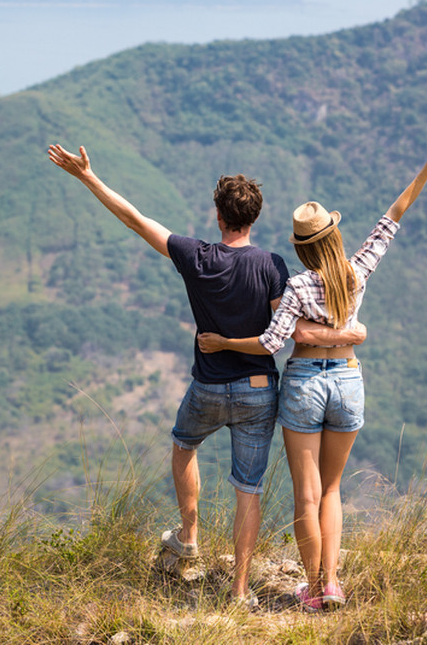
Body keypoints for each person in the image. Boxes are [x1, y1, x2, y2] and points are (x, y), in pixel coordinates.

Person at [46, 143, 366, 607]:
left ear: (219, 216)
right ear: (254, 218)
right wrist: (349, 333)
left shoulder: (194, 257)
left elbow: (136, 219)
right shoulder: (274, 265)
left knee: (183, 443)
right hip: (260, 390)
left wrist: (88, 178)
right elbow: (288, 330)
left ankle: (189, 536)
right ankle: (239, 591)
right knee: (248, 490)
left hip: (208, 386)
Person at [198, 140, 427, 611]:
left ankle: (310, 588)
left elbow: (270, 343)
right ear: (334, 237)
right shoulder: (356, 273)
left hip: (304, 382)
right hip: (347, 380)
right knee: (332, 490)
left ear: (302, 248)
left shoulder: (298, 285)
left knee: (305, 495)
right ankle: (333, 584)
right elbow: (393, 217)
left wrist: (221, 343)